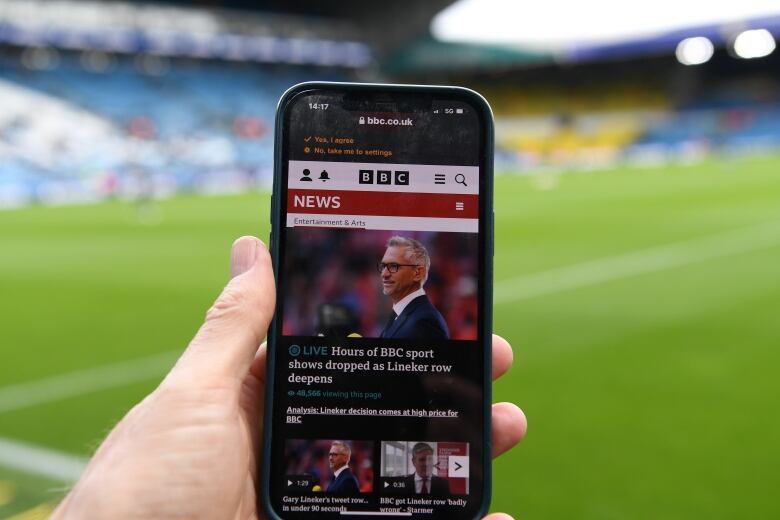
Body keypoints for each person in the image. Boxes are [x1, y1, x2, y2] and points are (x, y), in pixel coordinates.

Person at [51, 237, 526, 520]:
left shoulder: (421, 320)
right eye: (381, 264)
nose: (382, 272)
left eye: (393, 266)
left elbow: (411, 393)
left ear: (419, 271)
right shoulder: (406, 317)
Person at [378, 236, 449, 340]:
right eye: (383, 266)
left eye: (394, 266)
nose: (384, 274)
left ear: (417, 273)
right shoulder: (402, 314)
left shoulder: (425, 321)